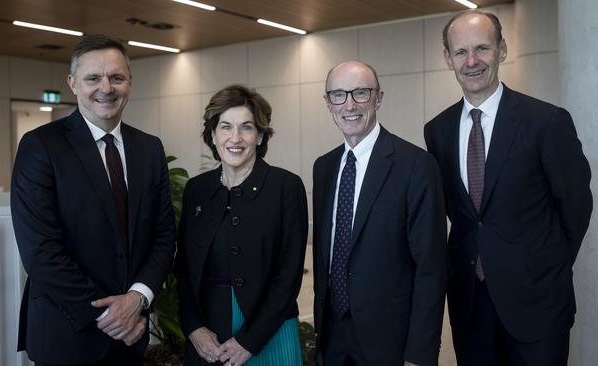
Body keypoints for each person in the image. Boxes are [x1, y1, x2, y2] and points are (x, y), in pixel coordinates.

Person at [424, 10, 592, 366]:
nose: (472, 61)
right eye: (461, 52)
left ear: (501, 50)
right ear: (447, 59)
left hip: (538, 302)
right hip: (470, 303)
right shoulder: (437, 131)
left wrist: (548, 266)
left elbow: (576, 205)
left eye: (482, 49)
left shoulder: (546, 121)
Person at [11, 34, 176, 365]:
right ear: (72, 83)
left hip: (132, 336)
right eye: (93, 78)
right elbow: (41, 252)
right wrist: (113, 317)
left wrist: (137, 299)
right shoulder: (40, 146)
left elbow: (163, 236)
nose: (107, 87)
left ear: (129, 82)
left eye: (116, 77)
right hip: (68, 334)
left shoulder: (149, 148)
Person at [312, 61, 447, 366]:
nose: (349, 105)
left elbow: (431, 268)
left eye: (360, 93)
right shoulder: (324, 167)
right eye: (338, 95)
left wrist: (420, 354)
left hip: (391, 340)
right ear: (328, 103)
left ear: (379, 98)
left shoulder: (416, 165)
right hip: (333, 337)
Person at [175, 84, 308, 366]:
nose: (235, 138)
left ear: (260, 136)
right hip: (206, 333)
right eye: (225, 127)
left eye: (246, 127)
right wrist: (193, 328)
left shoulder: (286, 187)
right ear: (212, 135)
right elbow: (184, 268)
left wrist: (251, 340)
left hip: (269, 330)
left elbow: (289, 274)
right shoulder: (197, 189)